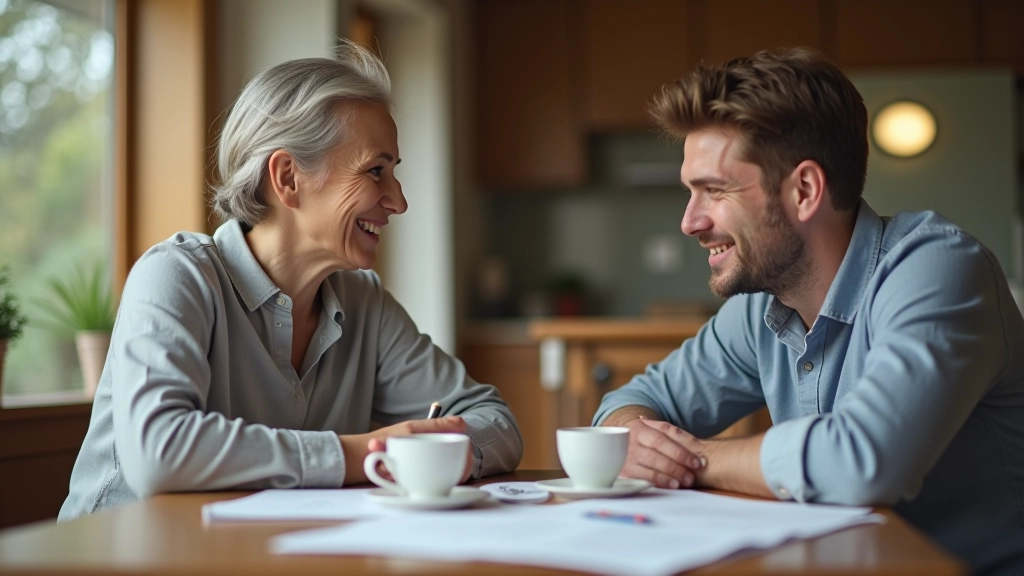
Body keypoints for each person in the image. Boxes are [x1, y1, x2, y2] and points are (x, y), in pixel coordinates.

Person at [594, 48, 1023, 575]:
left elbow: (863, 462)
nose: (690, 221)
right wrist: (634, 438)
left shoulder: (938, 269)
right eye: (690, 192)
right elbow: (633, 400)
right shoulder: (762, 307)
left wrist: (691, 459)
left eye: (714, 190)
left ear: (804, 191)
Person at [60, 40, 522, 519]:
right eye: (376, 171)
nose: (398, 201)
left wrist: (433, 452)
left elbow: (497, 422)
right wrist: (368, 453)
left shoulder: (364, 303)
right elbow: (159, 453)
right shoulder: (174, 276)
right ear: (287, 178)